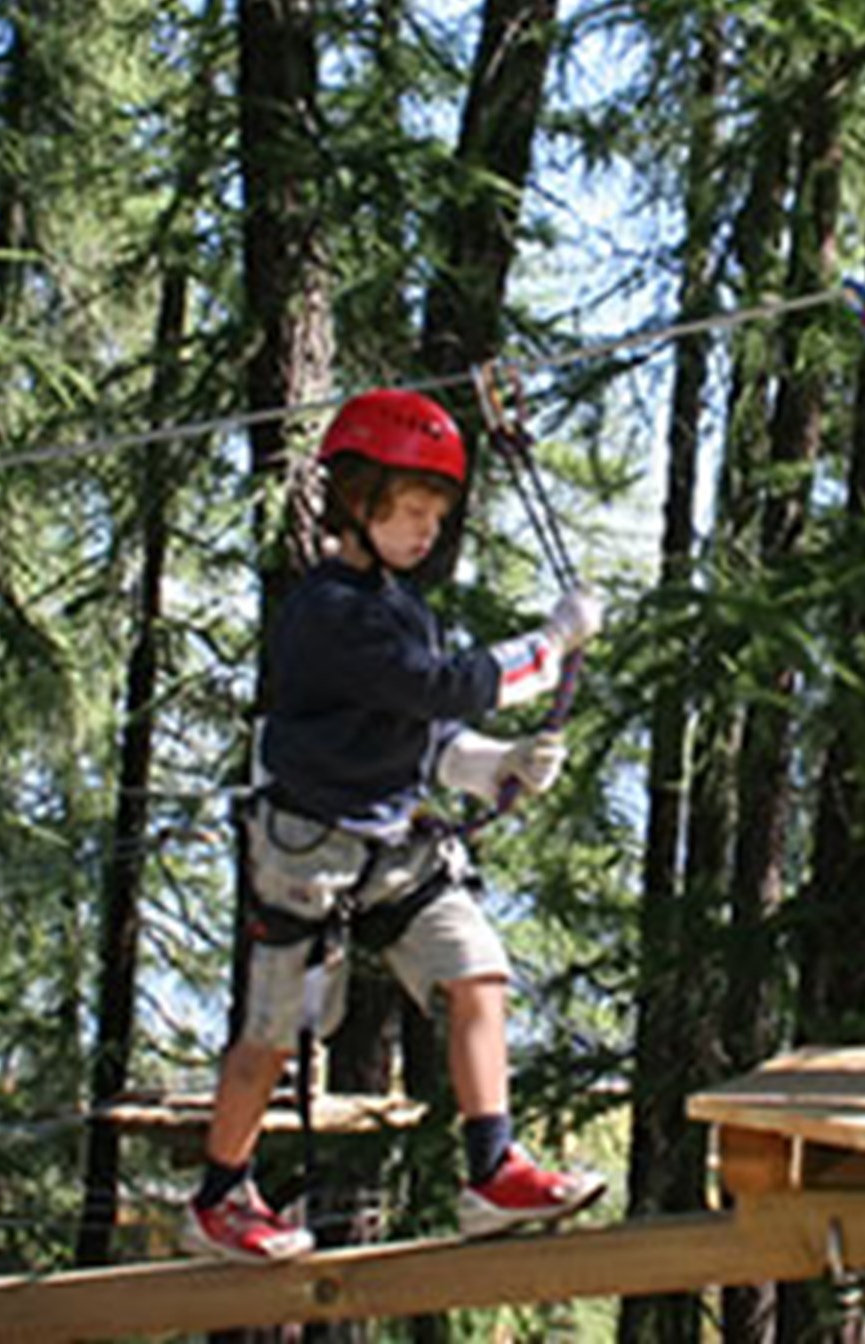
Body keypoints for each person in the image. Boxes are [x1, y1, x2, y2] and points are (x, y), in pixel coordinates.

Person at [182, 388, 607, 1263]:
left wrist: (495, 763)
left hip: (392, 845)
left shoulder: (401, 608)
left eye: (435, 515)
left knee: (478, 973)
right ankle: (219, 1197)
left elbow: (422, 731)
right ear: (357, 501)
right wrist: (550, 644)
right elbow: (441, 686)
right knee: (270, 1038)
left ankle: (492, 1169)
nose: (426, 531)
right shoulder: (329, 613)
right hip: (307, 852)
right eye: (410, 511)